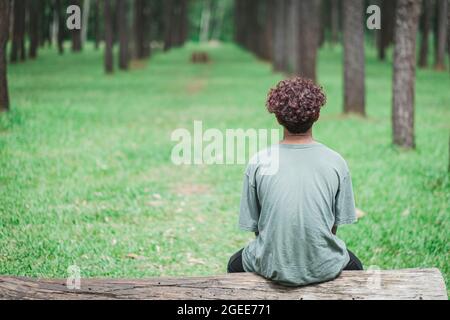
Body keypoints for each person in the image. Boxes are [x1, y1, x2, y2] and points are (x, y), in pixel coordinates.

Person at [227, 77, 363, 286]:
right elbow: (332, 226)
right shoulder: (336, 162)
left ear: (278, 118)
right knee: (356, 267)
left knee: (233, 264)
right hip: (324, 265)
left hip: (270, 264)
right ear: (316, 115)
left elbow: (258, 228)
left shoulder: (259, 161)